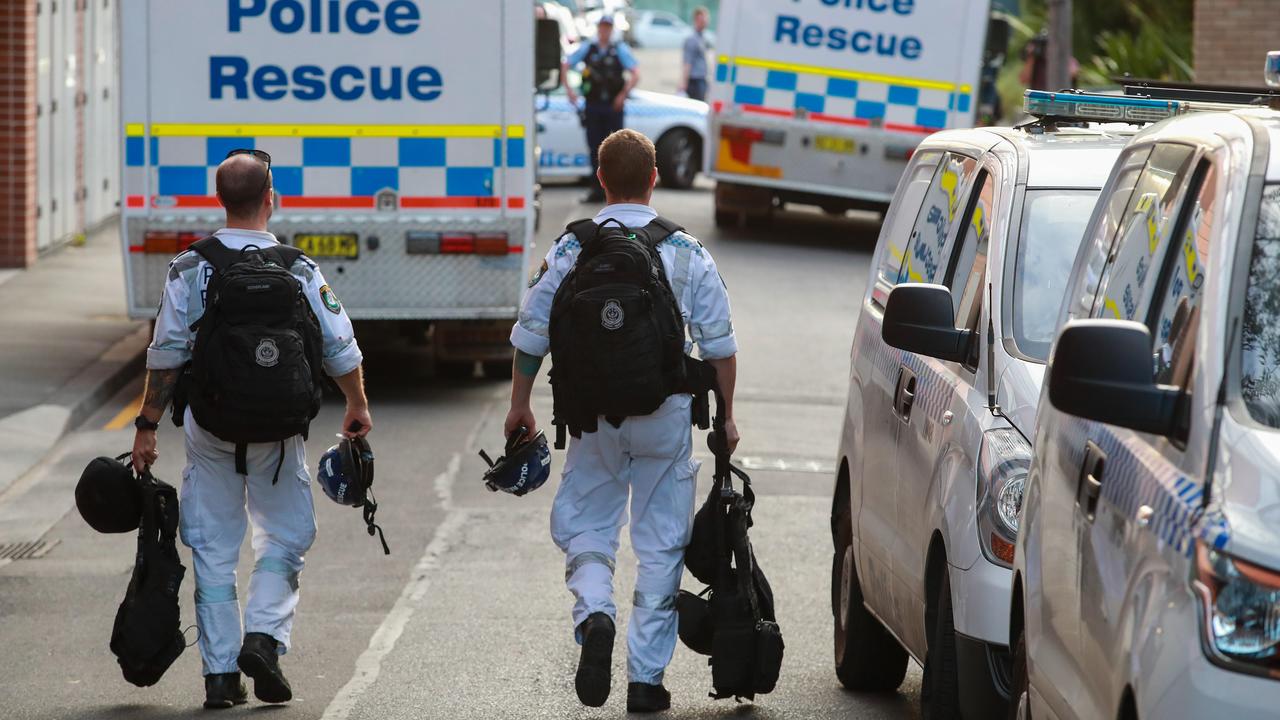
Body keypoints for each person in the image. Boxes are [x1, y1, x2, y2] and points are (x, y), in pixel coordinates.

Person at [506, 129, 739, 713]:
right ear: (654, 178)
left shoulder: (570, 249)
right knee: (661, 544)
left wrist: (520, 403)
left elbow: (532, 335)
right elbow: (721, 348)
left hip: (591, 417)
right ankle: (645, 682)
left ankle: (595, 615)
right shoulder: (686, 251)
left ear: (601, 178)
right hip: (665, 415)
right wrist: (728, 419)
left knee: (587, 524)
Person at [131, 149, 371, 710]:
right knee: (285, 536)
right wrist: (357, 404)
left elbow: (166, 355)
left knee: (213, 547)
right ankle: (263, 637)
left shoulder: (190, 266)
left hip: (210, 427)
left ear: (220, 201)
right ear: (271, 199)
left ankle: (220, 676)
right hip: (280, 431)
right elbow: (341, 347)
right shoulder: (299, 268)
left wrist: (146, 425)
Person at [563, 14, 640, 203]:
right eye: (602, 27)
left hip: (613, 107)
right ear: (598, 28)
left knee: (617, 149)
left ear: (611, 29)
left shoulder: (619, 49)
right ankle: (597, 191)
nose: (604, 30)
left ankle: (618, 193)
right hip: (594, 106)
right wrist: (569, 91)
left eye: (608, 27)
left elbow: (636, 73)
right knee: (595, 149)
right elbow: (565, 64)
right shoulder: (588, 48)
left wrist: (623, 94)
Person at [680, 7, 711, 102]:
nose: (705, 22)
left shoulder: (703, 38)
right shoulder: (692, 40)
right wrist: (683, 83)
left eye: (706, 19)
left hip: (702, 79)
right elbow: (687, 62)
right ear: (696, 20)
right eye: (703, 19)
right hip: (695, 81)